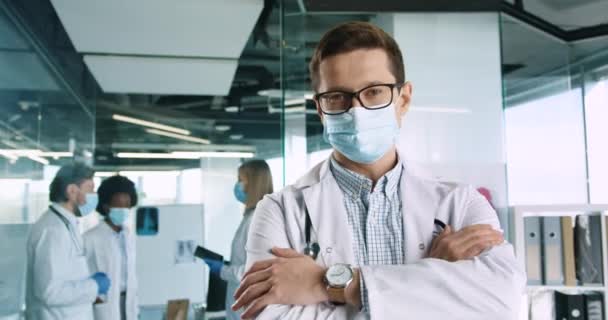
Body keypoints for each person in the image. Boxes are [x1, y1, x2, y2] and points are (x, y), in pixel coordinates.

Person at [232, 22, 525, 319]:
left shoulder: (461, 204)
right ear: (321, 110)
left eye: (374, 92)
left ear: (404, 99)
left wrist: (335, 284)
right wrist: (431, 283)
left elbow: (505, 305)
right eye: (337, 97)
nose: (356, 110)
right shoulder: (279, 211)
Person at [26, 163, 110, 320]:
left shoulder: (65, 224)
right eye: (90, 189)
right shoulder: (52, 230)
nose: (94, 195)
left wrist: (89, 282)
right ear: (72, 191)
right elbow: (50, 293)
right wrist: (94, 286)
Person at [202, 160, 274, 320]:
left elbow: (257, 271)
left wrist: (222, 270)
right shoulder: (251, 216)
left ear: (254, 183)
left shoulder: (258, 220)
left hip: (250, 309)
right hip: (241, 308)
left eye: (241, 180)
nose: (238, 185)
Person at [84, 175, 139, 320]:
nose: (124, 209)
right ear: (106, 206)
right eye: (119, 205)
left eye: (127, 205)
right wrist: (95, 297)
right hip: (105, 304)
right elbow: (77, 274)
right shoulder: (90, 238)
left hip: (128, 302)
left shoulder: (128, 235)